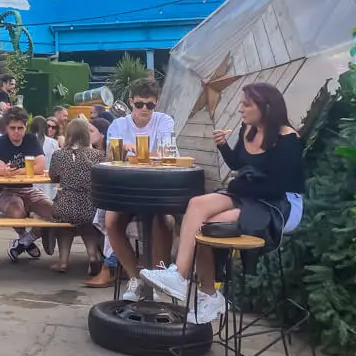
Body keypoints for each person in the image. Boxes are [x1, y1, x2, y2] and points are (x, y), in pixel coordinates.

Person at [141, 82, 305, 324]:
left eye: (246, 104)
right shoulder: (247, 129)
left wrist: (238, 187)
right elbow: (239, 165)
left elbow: (277, 187)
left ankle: (209, 293)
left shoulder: (288, 139)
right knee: (197, 205)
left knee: (210, 226)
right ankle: (180, 276)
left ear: (266, 107)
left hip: (281, 205)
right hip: (250, 193)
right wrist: (223, 147)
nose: (240, 109)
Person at [105, 78, 177, 301]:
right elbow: (109, 158)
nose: (145, 109)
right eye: (139, 104)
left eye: (150, 105)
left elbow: (169, 154)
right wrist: (120, 149)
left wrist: (139, 154)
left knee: (164, 220)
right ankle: (134, 277)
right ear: (131, 103)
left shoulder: (164, 121)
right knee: (111, 222)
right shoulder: (118, 125)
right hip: (127, 189)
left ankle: (158, 278)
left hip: (157, 189)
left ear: (157, 104)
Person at [0, 107, 50, 260]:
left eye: (20, 128)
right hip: (4, 190)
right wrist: (3, 172)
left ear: (25, 127)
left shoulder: (31, 140)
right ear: (6, 128)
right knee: (17, 213)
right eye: (13, 128)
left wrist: (13, 171)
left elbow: (40, 167)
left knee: (54, 212)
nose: (16, 132)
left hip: (28, 189)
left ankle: (24, 242)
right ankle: (25, 238)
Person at [49, 118, 105, 273]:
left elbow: (53, 177)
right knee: (87, 222)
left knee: (64, 222)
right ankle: (93, 256)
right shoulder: (98, 155)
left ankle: (63, 261)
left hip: (66, 205)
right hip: (90, 205)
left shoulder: (59, 155)